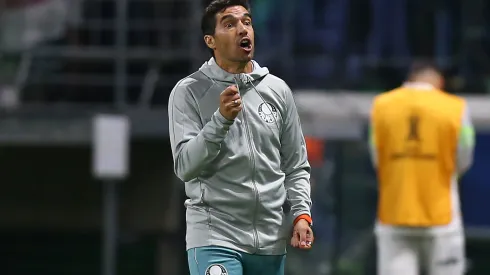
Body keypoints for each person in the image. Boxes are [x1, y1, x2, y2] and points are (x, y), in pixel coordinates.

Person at [168, 1, 314, 275]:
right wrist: (221, 120)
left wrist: (301, 213)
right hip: (215, 237)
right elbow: (185, 166)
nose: (242, 29)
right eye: (229, 24)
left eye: (246, 22)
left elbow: (296, 165)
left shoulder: (277, 90)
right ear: (210, 40)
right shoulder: (189, 91)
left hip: (270, 243)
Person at [369, 61, 475, 275]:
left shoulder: (381, 105)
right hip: (442, 216)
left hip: (394, 213)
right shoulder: (456, 107)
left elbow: (377, 157)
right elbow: (464, 155)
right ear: (440, 82)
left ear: (408, 80)